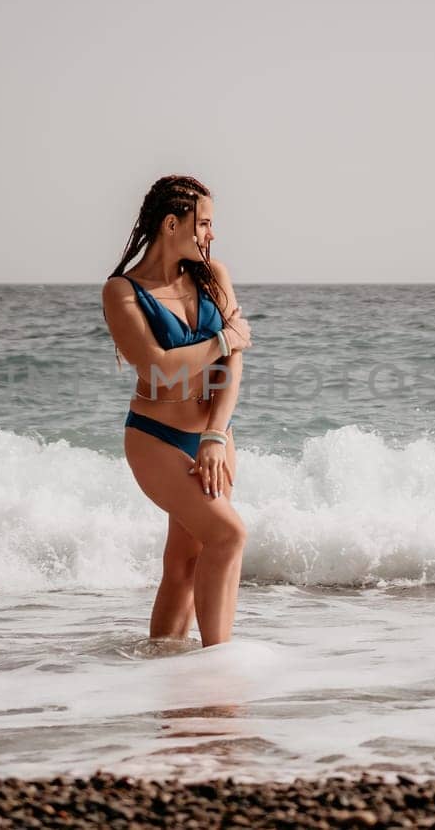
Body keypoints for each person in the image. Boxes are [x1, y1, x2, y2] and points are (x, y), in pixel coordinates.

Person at [101, 175, 253, 647]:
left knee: (184, 562)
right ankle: (218, 664)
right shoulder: (122, 292)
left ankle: (165, 668)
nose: (211, 234)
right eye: (203, 223)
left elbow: (232, 366)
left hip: (212, 437)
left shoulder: (213, 276)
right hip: (155, 437)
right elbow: (160, 368)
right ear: (172, 223)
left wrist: (215, 435)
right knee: (228, 536)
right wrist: (225, 337)